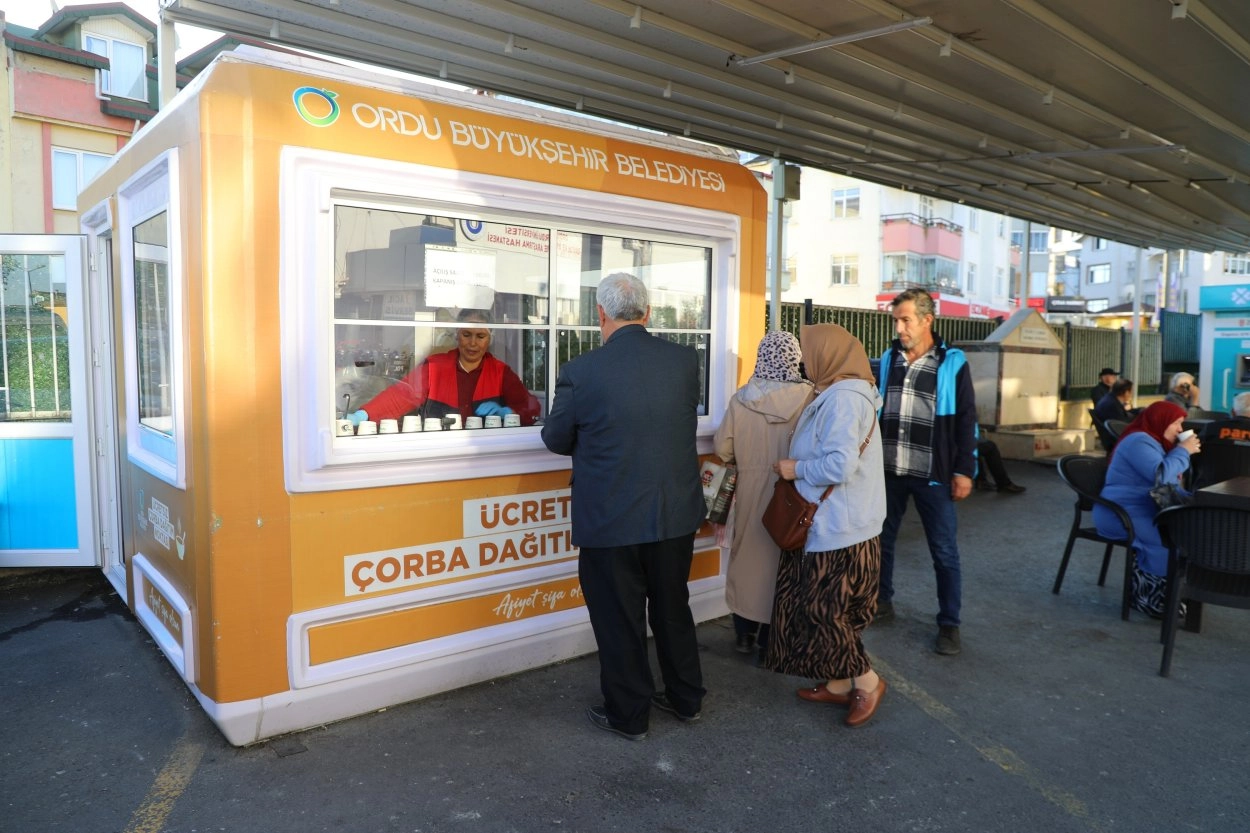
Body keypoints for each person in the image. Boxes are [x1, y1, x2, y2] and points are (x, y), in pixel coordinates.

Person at [541, 272, 707, 741]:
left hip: (612, 518)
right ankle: (686, 698)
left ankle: (629, 714)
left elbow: (556, 440)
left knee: (619, 620)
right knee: (673, 607)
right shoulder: (683, 361)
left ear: (600, 315)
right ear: (647, 313)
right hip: (673, 513)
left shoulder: (581, 370)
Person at [768, 323, 888, 728]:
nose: (804, 360)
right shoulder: (848, 394)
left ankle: (867, 682)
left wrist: (794, 468)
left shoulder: (842, 401)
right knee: (836, 609)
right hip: (852, 522)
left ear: (828, 356)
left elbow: (840, 464)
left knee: (823, 612)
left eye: (809, 352)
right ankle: (839, 683)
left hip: (839, 526)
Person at [875, 289, 978, 656]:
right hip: (890, 470)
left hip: (932, 474)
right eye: (896, 320)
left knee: (944, 550)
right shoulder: (890, 358)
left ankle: (949, 624)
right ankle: (882, 602)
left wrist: (964, 470)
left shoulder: (951, 362)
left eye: (905, 320)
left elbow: (966, 419)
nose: (899, 327)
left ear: (927, 320)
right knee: (881, 540)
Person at [713, 331, 812, 659]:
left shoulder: (741, 398)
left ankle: (743, 635)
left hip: (750, 490)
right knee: (783, 560)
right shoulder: (810, 397)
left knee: (747, 560)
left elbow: (722, 449)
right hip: (793, 495)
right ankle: (771, 640)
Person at [1094, 401, 1200, 617]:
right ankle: (1152, 599)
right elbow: (1160, 477)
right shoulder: (1138, 441)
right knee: (1166, 543)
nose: (1180, 429)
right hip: (1120, 513)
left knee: (1188, 534)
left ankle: (1176, 594)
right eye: (1176, 423)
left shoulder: (1155, 443)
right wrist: (1183, 451)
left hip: (1143, 508)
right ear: (1160, 421)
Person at [349, 308, 540, 427]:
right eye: (466, 334)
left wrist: (508, 412)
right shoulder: (435, 367)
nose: (473, 343)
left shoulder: (500, 372)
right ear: (457, 335)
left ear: (490, 339)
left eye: (480, 336)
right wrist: (364, 414)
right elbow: (400, 396)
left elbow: (531, 408)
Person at [1192, 391, 1250, 489]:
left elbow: (1193, 458)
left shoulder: (1210, 428)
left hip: (1207, 494)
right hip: (1245, 499)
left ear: (1233, 412)